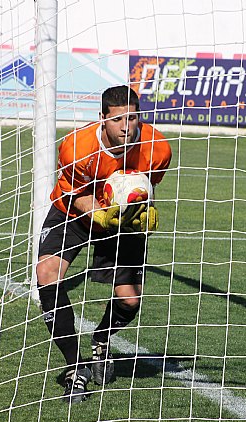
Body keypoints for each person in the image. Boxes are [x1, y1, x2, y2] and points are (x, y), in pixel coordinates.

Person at [37, 85, 172, 404]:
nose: (127, 126)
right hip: (74, 213)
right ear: (102, 119)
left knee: (129, 301)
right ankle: (75, 368)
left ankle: (101, 338)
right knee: (47, 274)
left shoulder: (158, 148)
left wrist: (145, 214)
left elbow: (143, 189)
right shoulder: (76, 147)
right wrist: (100, 215)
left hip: (120, 223)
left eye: (134, 118)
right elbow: (76, 195)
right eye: (118, 120)